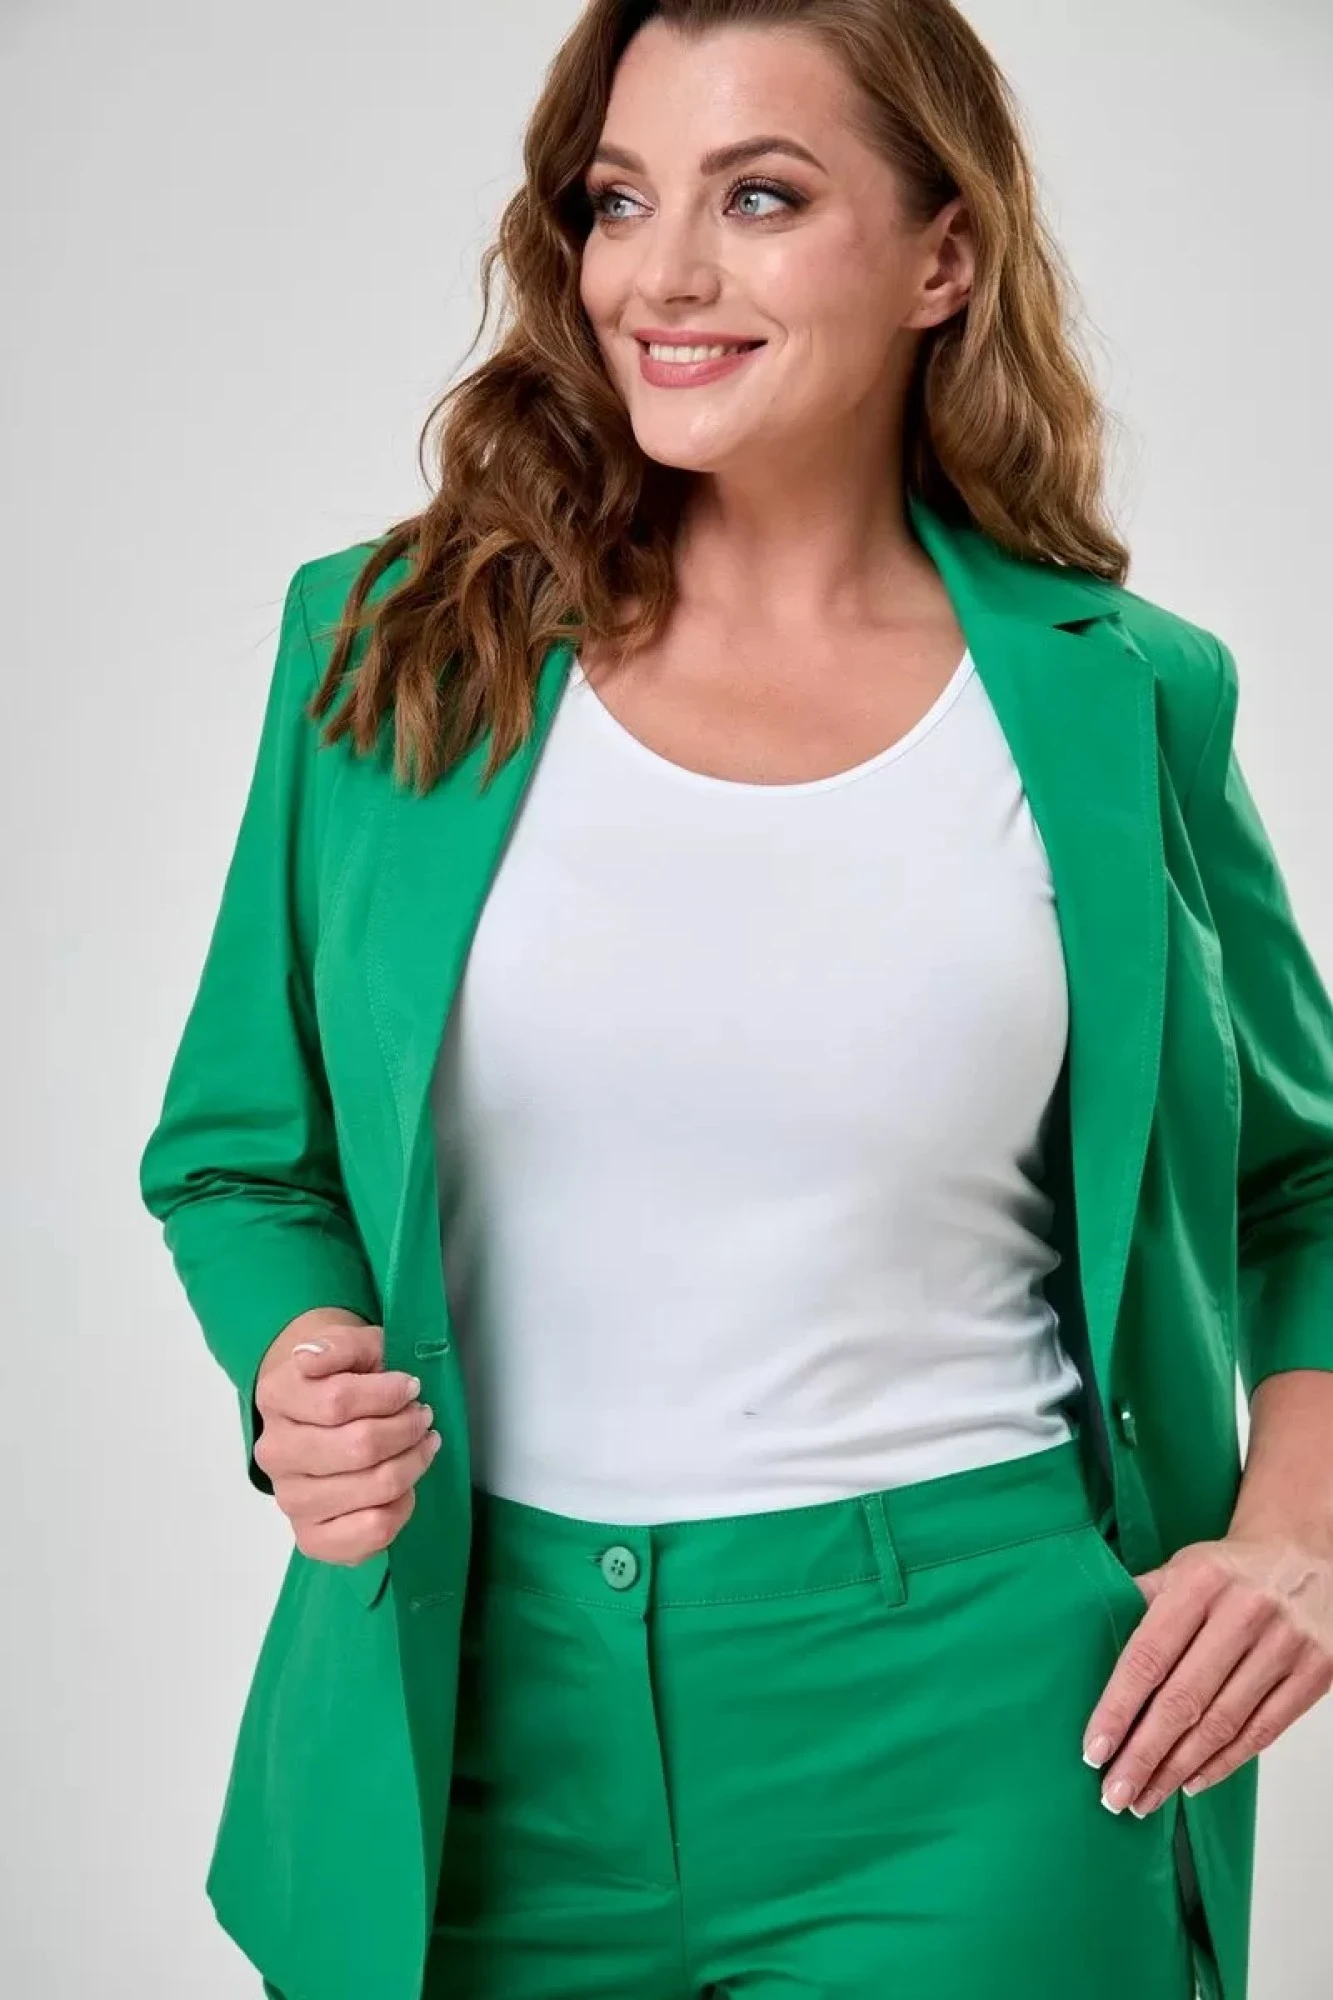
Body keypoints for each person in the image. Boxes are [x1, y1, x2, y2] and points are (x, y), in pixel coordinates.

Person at [137, 4, 1333, 1998]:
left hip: (987, 1722)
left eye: (760, 199)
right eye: (621, 202)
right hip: (470, 1713)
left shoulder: (1120, 693)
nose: (662, 276)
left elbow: (1304, 1181)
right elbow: (239, 1153)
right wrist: (297, 1369)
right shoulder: (392, 644)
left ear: (943, 256)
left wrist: (1298, 1532)